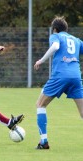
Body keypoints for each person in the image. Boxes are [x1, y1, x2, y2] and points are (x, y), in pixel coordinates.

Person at [34, 16, 83, 149]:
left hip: (60, 76)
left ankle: (43, 142)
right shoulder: (76, 40)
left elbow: (55, 46)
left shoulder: (56, 36)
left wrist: (41, 60)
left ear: (55, 29)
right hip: (76, 77)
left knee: (40, 105)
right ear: (66, 29)